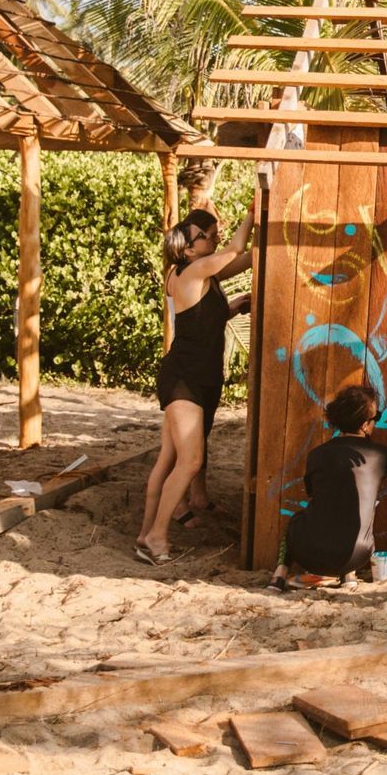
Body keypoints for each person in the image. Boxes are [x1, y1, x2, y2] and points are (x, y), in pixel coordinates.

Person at [139, 205, 252, 564]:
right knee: (190, 461)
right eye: (204, 235)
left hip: (199, 376)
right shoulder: (191, 270)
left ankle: (145, 533)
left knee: (169, 459)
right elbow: (236, 251)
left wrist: (232, 307)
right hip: (184, 377)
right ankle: (156, 536)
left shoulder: (202, 276)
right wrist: (251, 215)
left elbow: (247, 259)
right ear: (188, 249)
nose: (211, 237)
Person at [270, 386, 387, 590]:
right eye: (376, 417)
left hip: (308, 553)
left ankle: (279, 575)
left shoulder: (317, 454)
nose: (376, 421)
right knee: (360, 515)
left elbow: (314, 495)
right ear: (365, 425)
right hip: (357, 555)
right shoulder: (379, 455)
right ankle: (348, 576)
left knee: (296, 521)